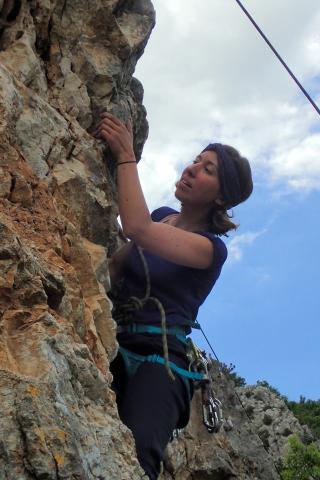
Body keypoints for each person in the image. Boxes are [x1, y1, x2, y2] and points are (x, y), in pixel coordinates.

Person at [95, 112, 253, 479]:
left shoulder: (210, 250)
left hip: (162, 363)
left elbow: (135, 226)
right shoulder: (162, 216)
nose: (193, 168)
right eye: (197, 160)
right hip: (116, 342)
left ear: (221, 198)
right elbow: (116, 267)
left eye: (208, 169)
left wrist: (125, 155)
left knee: (137, 454)